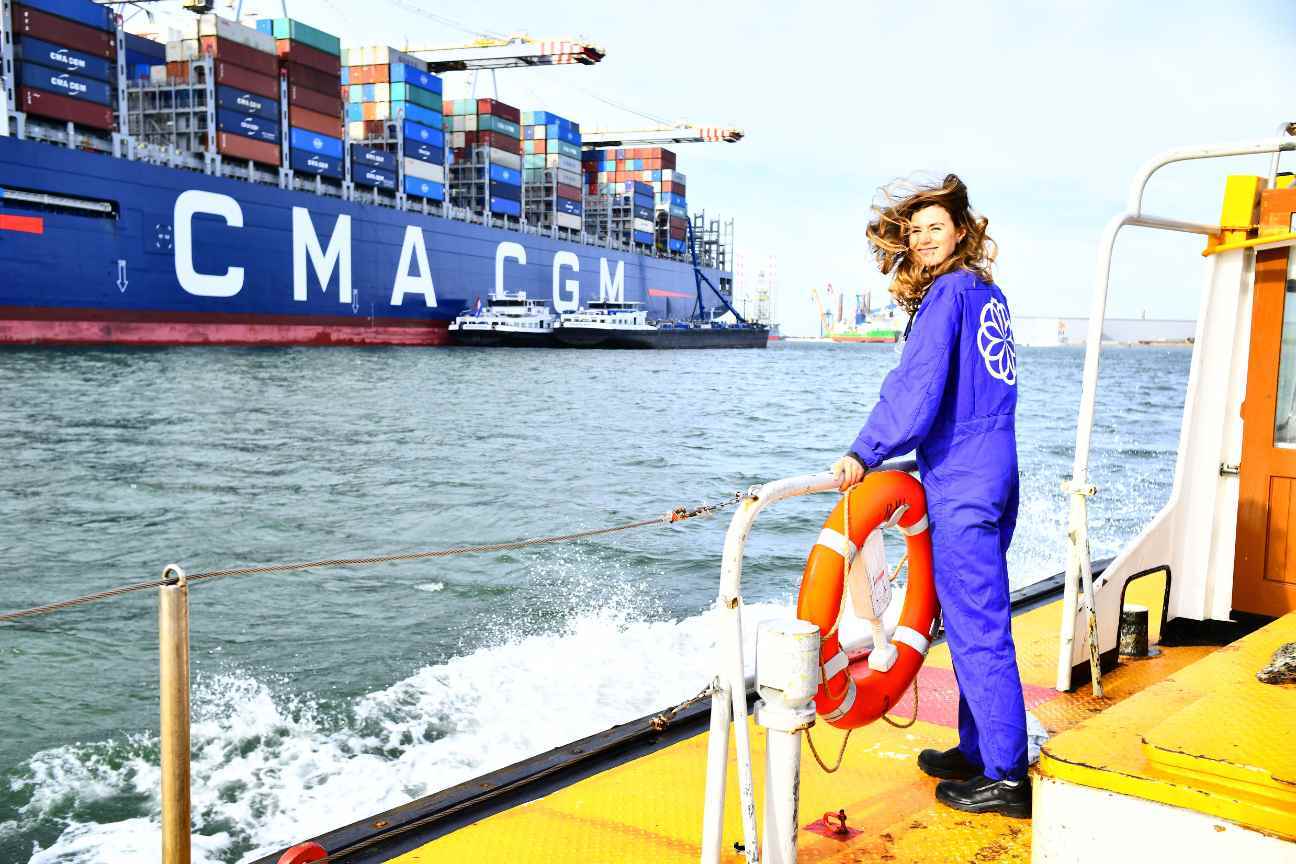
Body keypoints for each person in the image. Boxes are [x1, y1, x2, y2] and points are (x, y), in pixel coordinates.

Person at [830, 174, 1029, 818]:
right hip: (995, 469)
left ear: (964, 232)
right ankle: (979, 750)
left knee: (978, 628)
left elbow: (914, 391)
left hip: (965, 484)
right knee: (979, 621)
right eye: (913, 231)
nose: (921, 239)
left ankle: (1006, 776)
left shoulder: (946, 295)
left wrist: (864, 452)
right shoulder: (986, 293)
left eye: (934, 227)